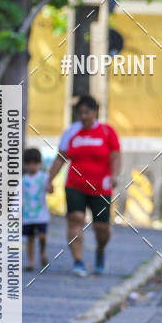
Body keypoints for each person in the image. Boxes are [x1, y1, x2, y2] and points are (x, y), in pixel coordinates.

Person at [47, 95, 121, 277]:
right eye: (80, 113)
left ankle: (100, 250)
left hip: (101, 187)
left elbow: (115, 156)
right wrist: (50, 180)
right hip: (75, 185)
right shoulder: (71, 132)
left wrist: (115, 175)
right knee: (75, 218)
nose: (83, 116)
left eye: (86, 112)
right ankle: (78, 261)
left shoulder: (107, 132)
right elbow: (61, 158)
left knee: (101, 227)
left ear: (95, 112)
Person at [22, 148, 50, 271]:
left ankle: (42, 253)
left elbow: (50, 188)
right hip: (27, 215)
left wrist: (51, 188)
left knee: (42, 236)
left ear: (40, 164)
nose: (32, 166)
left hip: (41, 214)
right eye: (29, 164)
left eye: (35, 163)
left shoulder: (44, 177)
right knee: (30, 238)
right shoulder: (23, 180)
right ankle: (31, 261)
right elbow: (18, 197)